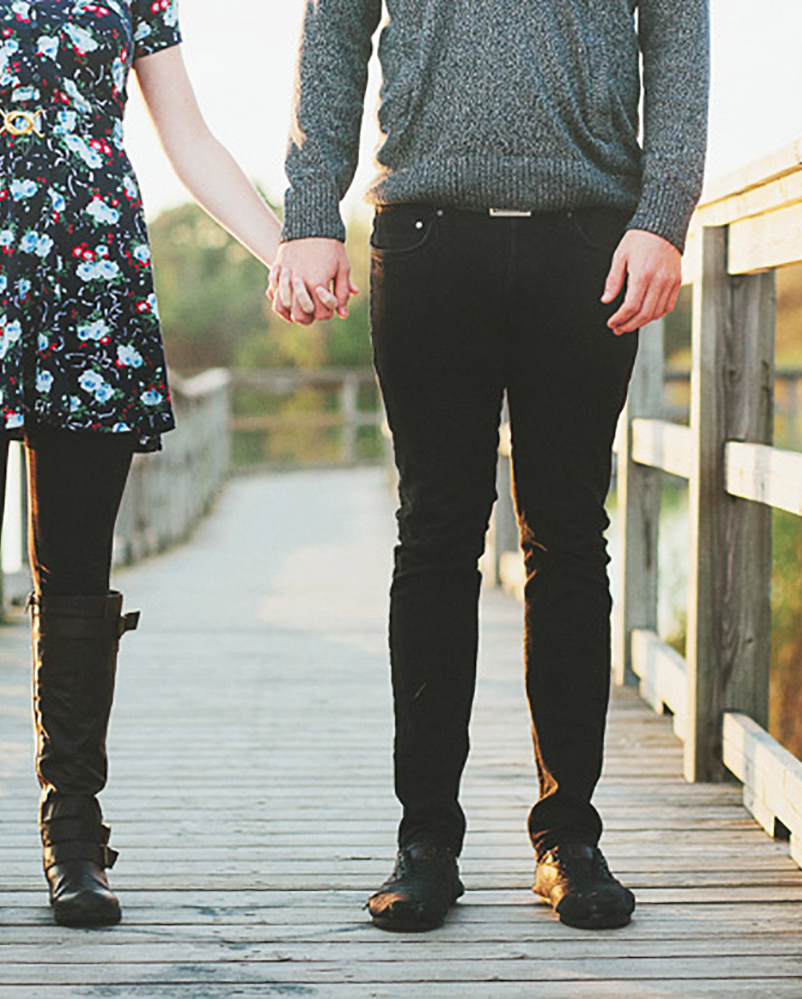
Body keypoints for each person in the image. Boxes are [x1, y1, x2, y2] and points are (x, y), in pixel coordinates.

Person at [270, 0, 709, 932]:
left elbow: (677, 31)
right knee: (434, 537)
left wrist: (665, 213)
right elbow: (334, 34)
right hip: (428, 232)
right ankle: (426, 840)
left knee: (567, 537)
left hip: (589, 235)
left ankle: (570, 837)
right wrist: (311, 211)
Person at [0, 0, 281, 936]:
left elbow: (189, 137)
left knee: (78, 574)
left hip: (91, 283)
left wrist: (281, 250)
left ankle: (74, 838)